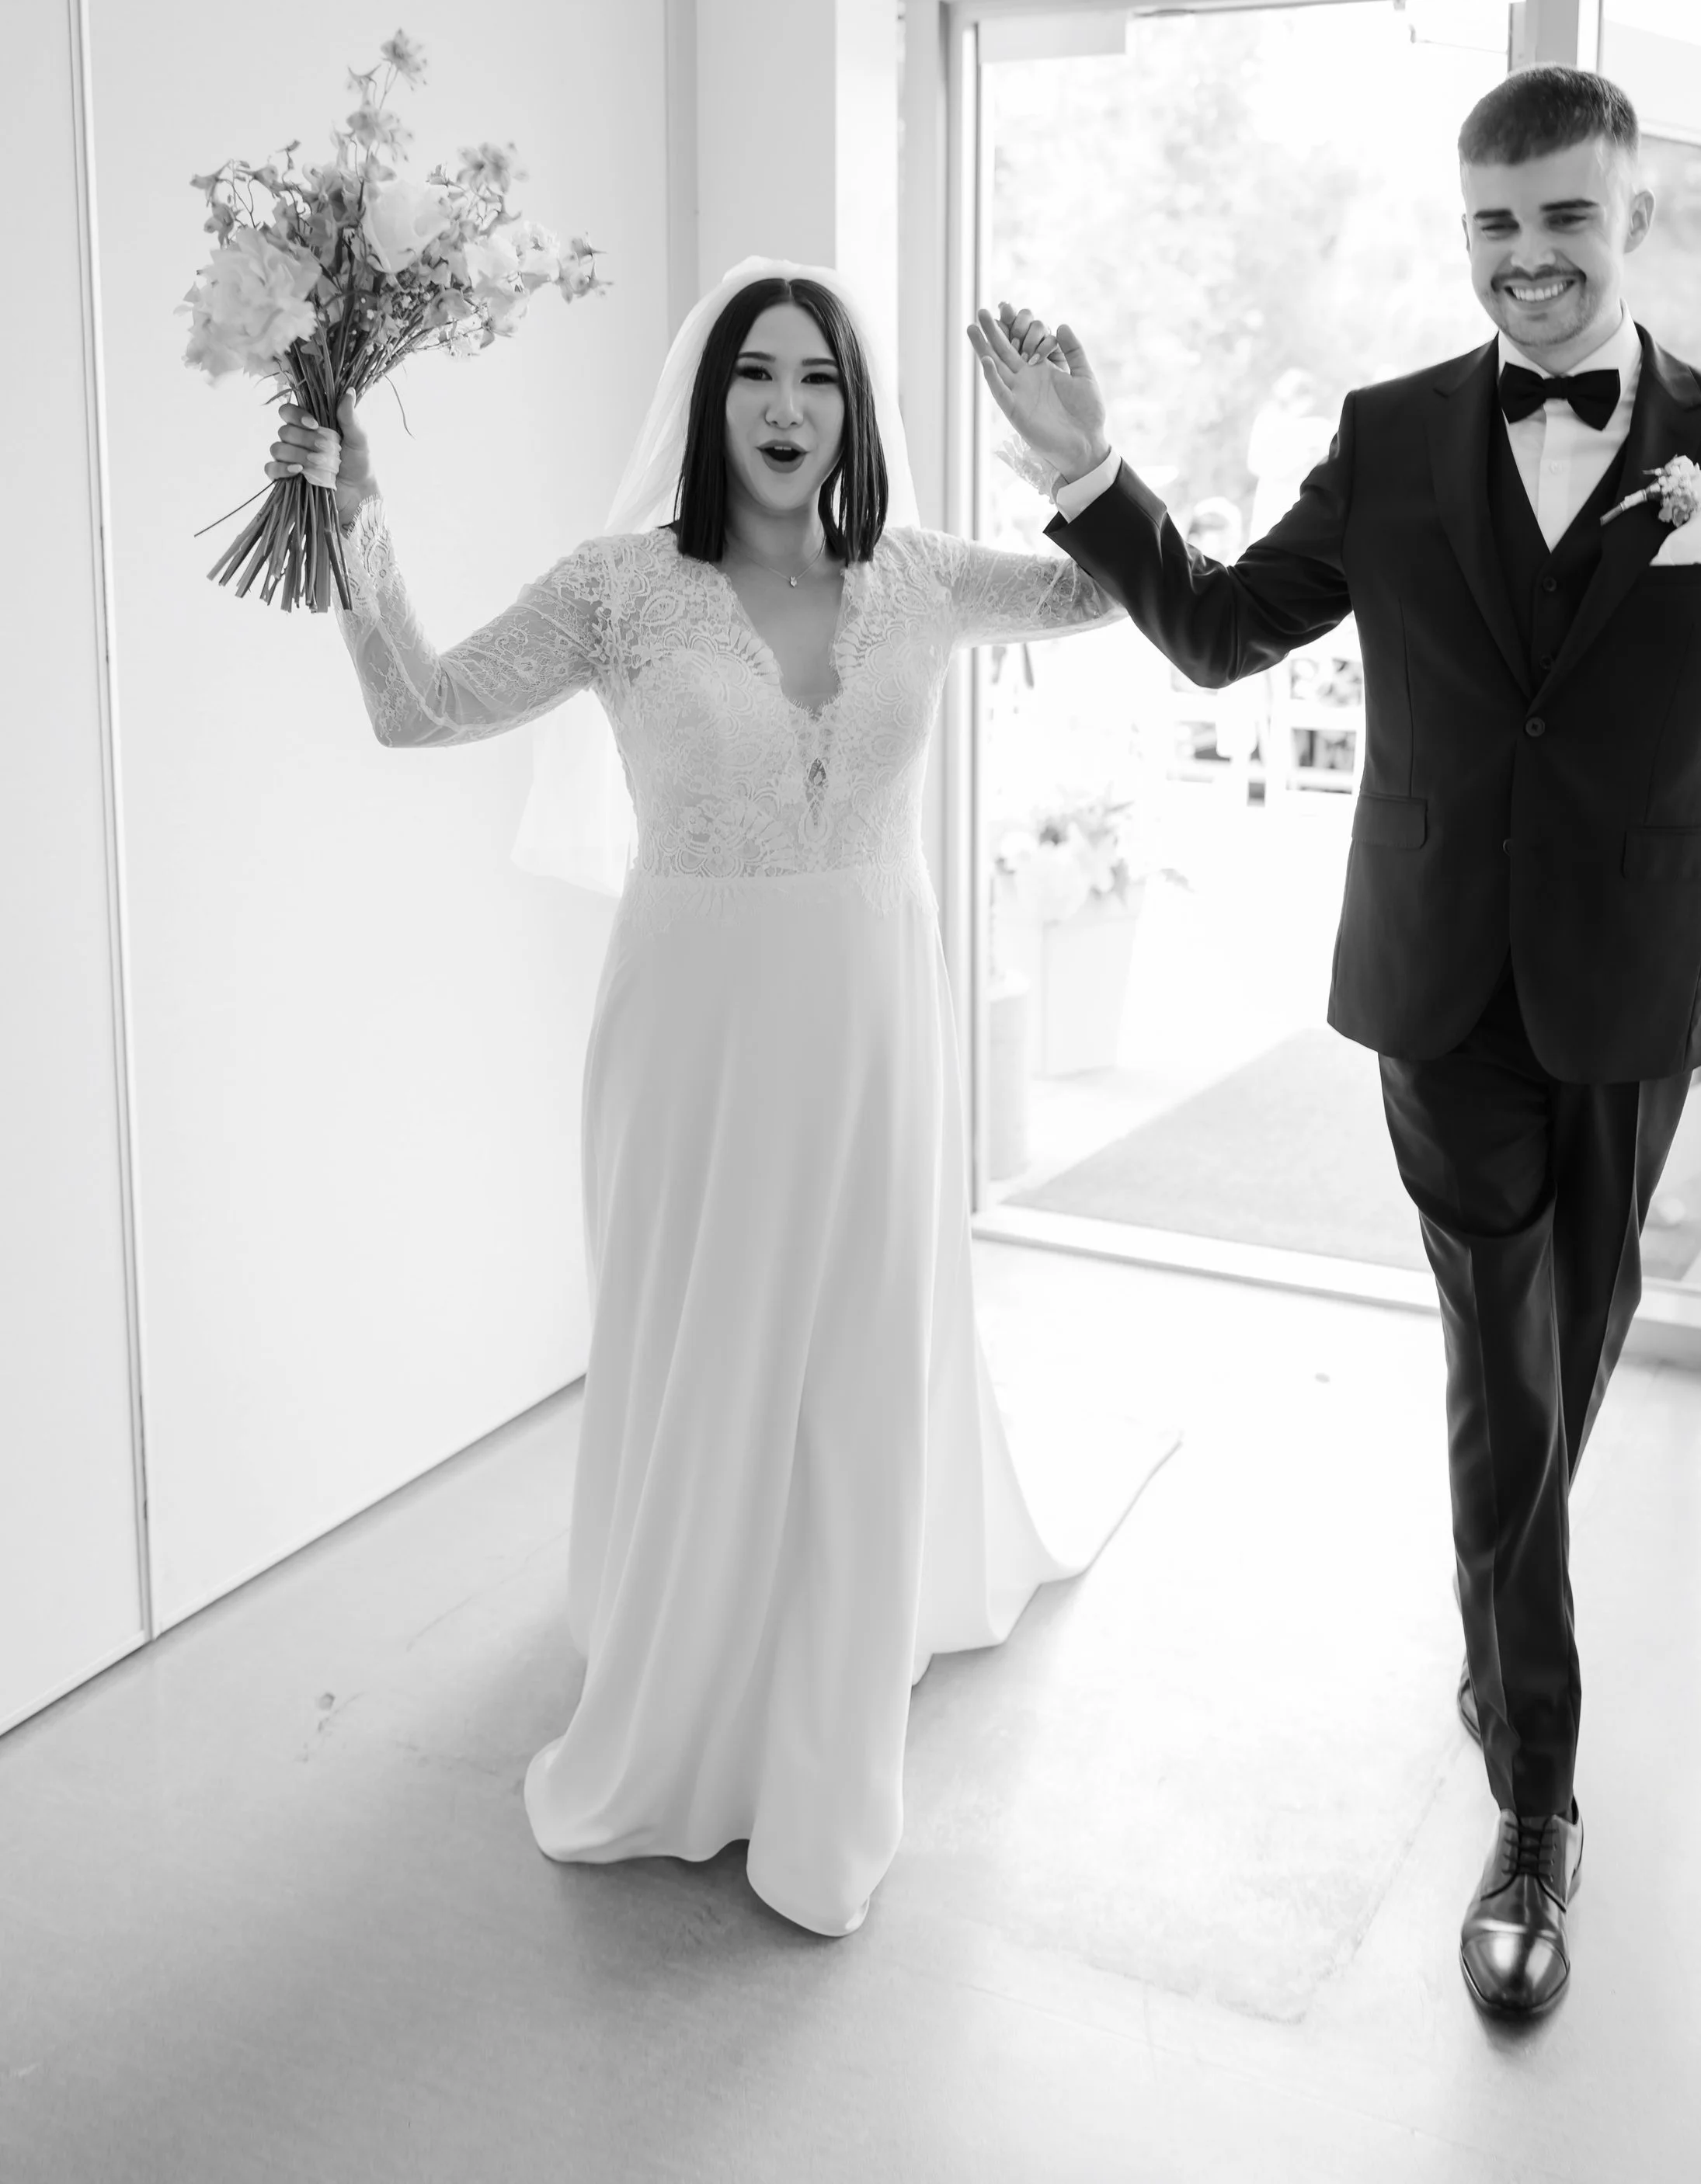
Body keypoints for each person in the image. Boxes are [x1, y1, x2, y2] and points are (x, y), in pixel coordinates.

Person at [971, 65, 1701, 2021]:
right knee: (1501, 1351)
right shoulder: (1392, 434)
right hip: (1435, 988)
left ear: (1630, 218)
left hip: (1626, 988)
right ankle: (1534, 1804)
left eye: (1564, 217)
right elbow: (1225, 628)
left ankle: (1497, 1625)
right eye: (1493, 224)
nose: (1526, 260)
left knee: (1562, 1359)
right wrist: (1089, 473)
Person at [273, 256, 1166, 1941]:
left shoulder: (917, 576)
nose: (785, 406)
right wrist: (355, 521)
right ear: (710, 400)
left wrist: (1081, 456)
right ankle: (682, 1711)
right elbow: (419, 705)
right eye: (757, 373)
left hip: (874, 1028)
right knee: (708, 1356)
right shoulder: (621, 590)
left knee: (853, 1374)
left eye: (819, 378)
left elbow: (1101, 597)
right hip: (691, 1034)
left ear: (853, 410)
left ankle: (825, 1762)